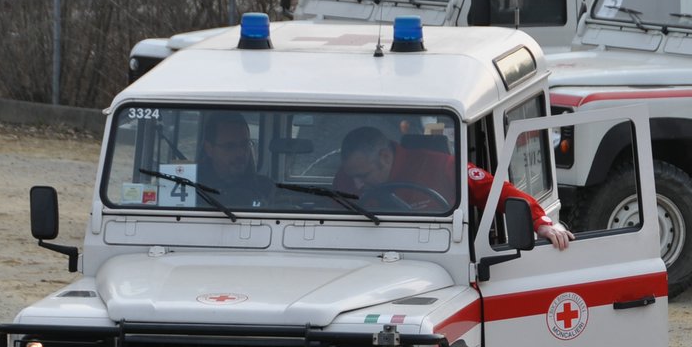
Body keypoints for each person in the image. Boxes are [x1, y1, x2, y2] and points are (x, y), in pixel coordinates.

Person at [335, 126, 573, 250]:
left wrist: (540, 222)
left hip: (436, 254)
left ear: (385, 157)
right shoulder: (349, 176)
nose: (356, 185)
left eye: (362, 176)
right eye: (352, 177)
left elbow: (497, 190)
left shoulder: (441, 166)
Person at [198, 112, 276, 202]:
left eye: (245, 144)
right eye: (229, 146)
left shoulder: (265, 188)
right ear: (209, 149)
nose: (240, 153)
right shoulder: (193, 187)